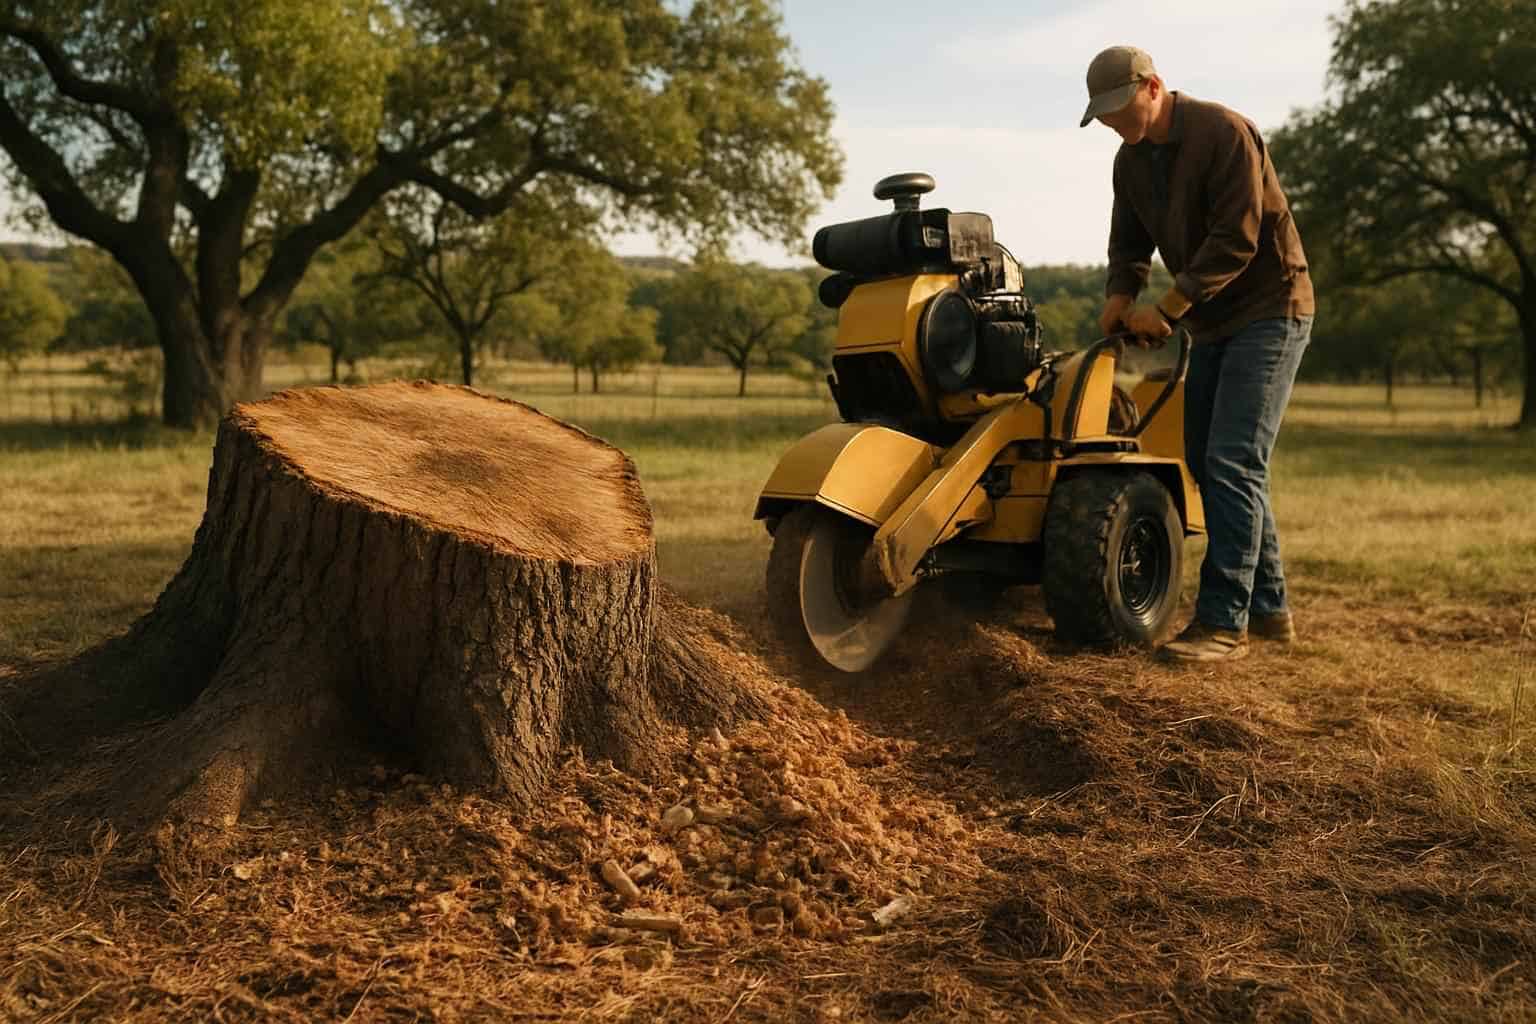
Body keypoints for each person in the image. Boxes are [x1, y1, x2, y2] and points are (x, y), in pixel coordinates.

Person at [1079, 45, 1315, 662]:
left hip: (1271, 308)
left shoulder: (1224, 133)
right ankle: (1269, 610)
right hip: (1211, 323)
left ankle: (1223, 624)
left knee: (1233, 460)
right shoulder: (1130, 161)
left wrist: (1167, 308)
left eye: (1120, 107)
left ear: (1153, 86)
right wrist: (1119, 296)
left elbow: (1236, 240)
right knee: (1206, 463)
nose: (1113, 122)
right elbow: (1128, 241)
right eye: (1103, 114)